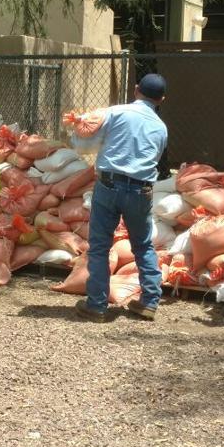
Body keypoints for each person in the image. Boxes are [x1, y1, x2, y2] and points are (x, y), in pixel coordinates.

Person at [71, 74, 169, 323]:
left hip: (109, 185)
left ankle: (97, 305)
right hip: (141, 190)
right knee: (143, 245)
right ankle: (149, 302)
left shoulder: (115, 112)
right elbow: (155, 156)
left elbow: (89, 138)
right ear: (162, 100)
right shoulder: (161, 127)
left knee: (101, 246)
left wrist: (77, 126)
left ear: (136, 90)